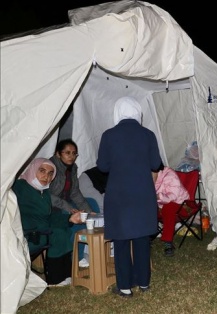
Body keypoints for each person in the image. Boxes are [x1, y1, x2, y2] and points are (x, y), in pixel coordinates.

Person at [97, 96, 163, 297]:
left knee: (122, 240)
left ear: (117, 112)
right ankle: (143, 282)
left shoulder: (109, 135)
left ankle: (124, 286)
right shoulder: (148, 134)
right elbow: (155, 164)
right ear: (137, 112)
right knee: (142, 238)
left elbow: (103, 166)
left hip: (119, 195)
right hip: (142, 193)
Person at [12, 158, 82, 286]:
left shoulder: (43, 192)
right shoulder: (20, 187)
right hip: (26, 235)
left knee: (64, 230)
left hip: (40, 231)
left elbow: (48, 217)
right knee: (57, 234)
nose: (46, 176)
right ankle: (55, 279)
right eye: (42, 171)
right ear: (33, 170)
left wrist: (69, 219)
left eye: (50, 173)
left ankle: (66, 274)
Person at [49, 138, 95, 267]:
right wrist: (70, 208)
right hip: (53, 206)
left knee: (90, 206)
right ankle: (75, 257)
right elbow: (48, 195)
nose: (71, 156)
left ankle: (85, 251)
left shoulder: (72, 168)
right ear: (58, 154)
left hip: (65, 202)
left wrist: (89, 211)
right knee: (78, 218)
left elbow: (74, 192)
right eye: (67, 153)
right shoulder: (50, 167)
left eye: (74, 153)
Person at [154, 165, 189, 257]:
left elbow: (173, 196)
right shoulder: (145, 177)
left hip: (180, 204)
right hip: (160, 205)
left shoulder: (169, 175)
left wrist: (158, 196)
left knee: (168, 208)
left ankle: (168, 242)